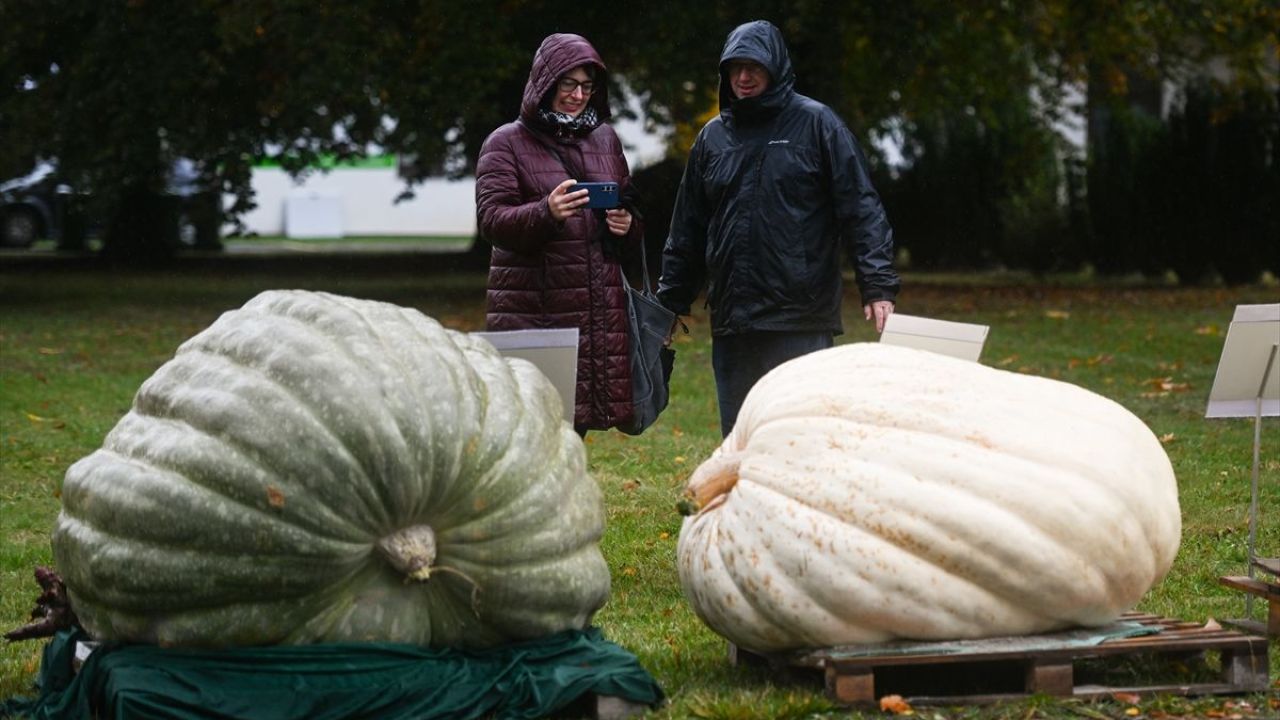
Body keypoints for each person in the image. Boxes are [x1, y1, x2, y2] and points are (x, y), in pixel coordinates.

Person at [658, 20, 901, 437]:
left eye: (755, 66)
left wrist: (877, 284)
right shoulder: (712, 139)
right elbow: (688, 228)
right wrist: (669, 303)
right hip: (734, 316)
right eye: (735, 68)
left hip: (800, 316)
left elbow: (861, 208)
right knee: (741, 436)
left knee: (801, 433)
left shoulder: (818, 124)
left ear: (776, 68)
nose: (744, 77)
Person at [476, 33, 643, 436]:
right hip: (534, 306)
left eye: (587, 86)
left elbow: (629, 205)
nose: (578, 95)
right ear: (546, 83)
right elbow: (492, 220)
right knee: (532, 422)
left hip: (597, 309)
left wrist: (627, 225)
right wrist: (545, 212)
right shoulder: (506, 142)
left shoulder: (605, 139)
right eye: (569, 84)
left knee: (578, 421)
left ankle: (564, 497)